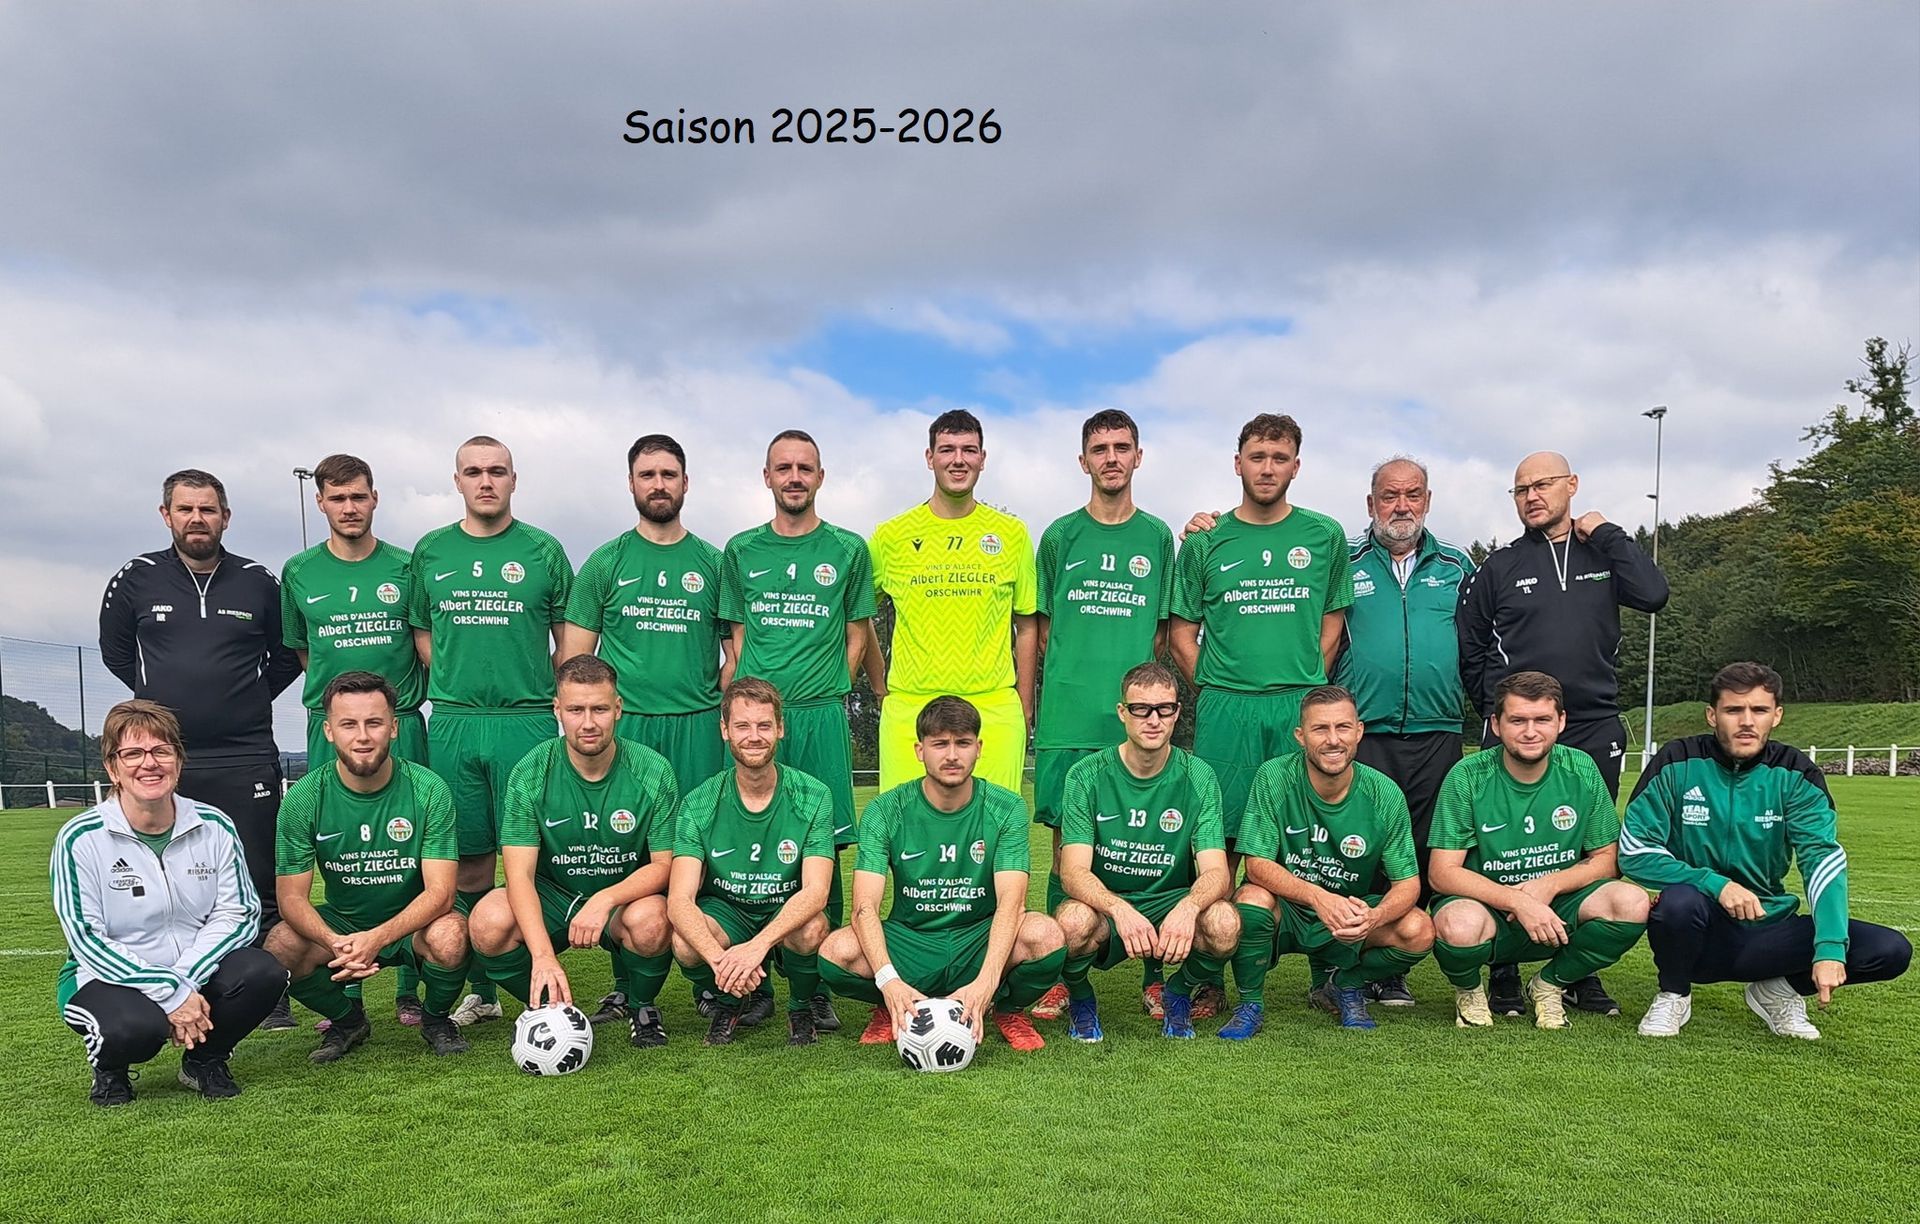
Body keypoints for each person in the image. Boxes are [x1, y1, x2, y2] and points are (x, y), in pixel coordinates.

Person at [1456, 450, 1668, 1018]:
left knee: (1583, 845)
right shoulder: (1498, 566)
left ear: (1571, 485)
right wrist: (1496, 716)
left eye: (1543, 484)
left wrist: (1606, 530)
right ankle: (1501, 968)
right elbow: (1470, 648)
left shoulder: (1604, 554)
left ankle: (1575, 972)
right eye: (1520, 488)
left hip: (1593, 723)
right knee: (1501, 843)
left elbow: (1653, 593)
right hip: (1515, 727)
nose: (1531, 496)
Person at [98, 469, 301, 1025]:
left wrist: (243, 697)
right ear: (166, 515)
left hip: (245, 752)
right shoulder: (136, 578)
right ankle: (169, 982)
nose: (197, 519)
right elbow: (117, 652)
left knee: (259, 872)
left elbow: (286, 654)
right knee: (165, 873)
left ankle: (268, 989)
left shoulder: (258, 582)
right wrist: (161, 707)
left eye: (207, 510)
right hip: (164, 757)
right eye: (185, 509)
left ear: (225, 517)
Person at [1622, 662, 1911, 1039]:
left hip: (1767, 928)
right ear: (1712, 715)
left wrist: (1829, 948)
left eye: (1758, 710)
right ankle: (1674, 993)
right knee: (1679, 902)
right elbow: (1634, 849)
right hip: (1697, 928)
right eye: (1733, 710)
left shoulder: (1796, 772)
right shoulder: (1677, 761)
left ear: (1776, 716)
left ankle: (1778, 991)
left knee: (1890, 949)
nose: (1746, 721)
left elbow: (1822, 860)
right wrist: (1716, 884)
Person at [561, 434, 731, 1026]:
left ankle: (710, 974)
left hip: (698, 728)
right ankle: (627, 985)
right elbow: (575, 659)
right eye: (646, 474)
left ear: (686, 483)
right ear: (630, 484)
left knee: (700, 856)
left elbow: (734, 652)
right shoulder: (606, 562)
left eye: (668, 474)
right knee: (624, 850)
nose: (658, 484)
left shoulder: (713, 562)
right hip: (628, 734)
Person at [409, 435, 574, 1026]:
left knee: (538, 855)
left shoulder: (543, 551)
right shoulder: (430, 552)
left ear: (513, 479)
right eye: (473, 471)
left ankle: (544, 965)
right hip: (453, 721)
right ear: (457, 481)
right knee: (469, 860)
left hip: (527, 720)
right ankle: (481, 989)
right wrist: (458, 679)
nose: (486, 481)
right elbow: (424, 639)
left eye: (497, 471)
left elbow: (569, 642)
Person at [52, 700, 286, 1105]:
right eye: (133, 753)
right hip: (106, 976)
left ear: (178, 761)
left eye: (162, 751)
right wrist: (168, 992)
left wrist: (183, 981)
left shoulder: (214, 825)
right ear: (112, 767)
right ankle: (111, 1068)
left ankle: (204, 1060)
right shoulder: (80, 838)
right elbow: (88, 938)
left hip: (192, 968)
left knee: (263, 973)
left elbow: (240, 913)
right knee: (133, 1030)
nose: (150, 764)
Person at [717, 429, 874, 1033]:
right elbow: (735, 640)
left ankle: (811, 988)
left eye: (804, 467)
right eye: (783, 467)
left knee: (826, 847)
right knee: (748, 848)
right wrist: (742, 715)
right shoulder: (740, 550)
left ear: (820, 476)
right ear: (766, 477)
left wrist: (830, 687)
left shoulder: (847, 548)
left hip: (817, 715)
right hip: (756, 722)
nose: (794, 477)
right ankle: (750, 981)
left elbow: (858, 633)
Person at [1029, 409, 1176, 1023]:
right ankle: (1061, 973)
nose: (1111, 458)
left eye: (1122, 447)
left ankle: (1154, 974)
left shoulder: (1158, 537)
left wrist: (1142, 698)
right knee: (1070, 844)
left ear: (1138, 457)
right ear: (1082, 460)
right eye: (1099, 448)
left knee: (1151, 840)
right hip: (1069, 715)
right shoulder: (1060, 536)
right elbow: (1039, 630)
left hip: (1136, 715)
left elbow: (1165, 631)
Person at [819, 696, 1066, 1052]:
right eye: (940, 744)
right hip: (912, 940)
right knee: (835, 952)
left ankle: (1007, 1009)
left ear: (978, 748)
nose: (952, 755)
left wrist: (987, 981)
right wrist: (888, 981)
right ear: (920, 750)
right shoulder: (885, 810)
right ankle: (892, 1005)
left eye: (963, 743)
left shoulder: (1005, 806)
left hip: (976, 939)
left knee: (1046, 935)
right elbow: (864, 909)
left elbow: (1012, 904)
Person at [280, 452, 432, 1025]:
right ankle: (345, 993)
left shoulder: (405, 565)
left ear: (374, 498)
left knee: (414, 855)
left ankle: (410, 991)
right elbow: (304, 653)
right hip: (334, 733)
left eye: (359, 496)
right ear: (320, 502)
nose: (350, 507)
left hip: (404, 728)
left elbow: (423, 639)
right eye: (337, 498)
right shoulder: (299, 572)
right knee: (340, 854)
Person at [467, 655, 680, 1048]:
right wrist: (545, 957)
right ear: (557, 710)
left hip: (621, 898)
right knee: (487, 921)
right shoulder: (531, 771)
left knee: (653, 920)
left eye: (599, 709)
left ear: (618, 708)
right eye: (575, 709)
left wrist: (605, 899)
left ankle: (641, 1006)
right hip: (554, 893)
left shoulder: (653, 770)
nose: (588, 722)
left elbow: (665, 865)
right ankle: (555, 1007)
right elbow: (518, 876)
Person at [266, 672, 472, 1060]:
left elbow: (441, 893)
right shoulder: (303, 798)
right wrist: (335, 943)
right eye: (349, 724)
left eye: (374, 723)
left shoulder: (428, 789)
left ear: (393, 728)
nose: (362, 736)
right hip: (343, 925)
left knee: (451, 935)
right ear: (329, 731)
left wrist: (376, 938)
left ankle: (436, 1018)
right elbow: (291, 897)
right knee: (280, 944)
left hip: (414, 925)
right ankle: (348, 1020)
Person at [1428, 671, 1650, 1030]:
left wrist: (1549, 885)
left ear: (1560, 721)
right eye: (1517, 720)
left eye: (1542, 719)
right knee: (1458, 925)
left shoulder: (1581, 768)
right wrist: (1517, 900)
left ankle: (1549, 985)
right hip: (1490, 909)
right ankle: (1469, 990)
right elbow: (1441, 872)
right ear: (1496, 725)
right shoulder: (1467, 775)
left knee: (1632, 902)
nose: (1530, 731)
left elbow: (1607, 860)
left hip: (1559, 908)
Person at [1332, 456, 1476, 1007]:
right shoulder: (1343, 561)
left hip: (1438, 732)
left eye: (1412, 494)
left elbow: (1479, 644)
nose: (1401, 506)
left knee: (1415, 855)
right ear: (1371, 504)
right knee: (1360, 850)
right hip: (1365, 733)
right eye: (1389, 496)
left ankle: (1392, 967)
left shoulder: (1457, 565)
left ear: (1428, 500)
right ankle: (1342, 965)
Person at [1171, 414, 1354, 840]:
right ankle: (1217, 909)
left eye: (1279, 457)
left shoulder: (1325, 535)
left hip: (1297, 703)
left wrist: (1306, 687)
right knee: (1220, 839)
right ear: (1238, 463)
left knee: (1296, 839)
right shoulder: (1205, 539)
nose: (1267, 468)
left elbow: (1333, 626)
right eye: (1257, 457)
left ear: (1296, 466)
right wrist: (1219, 687)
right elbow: (1180, 637)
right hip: (1226, 709)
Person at [1225, 686, 1433, 1036]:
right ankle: (1250, 1004)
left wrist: (1374, 916)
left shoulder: (1384, 794)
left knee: (1419, 930)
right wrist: (1317, 897)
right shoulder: (1274, 776)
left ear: (1359, 732)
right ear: (1300, 736)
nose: (1333, 740)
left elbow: (1408, 883)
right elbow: (1257, 865)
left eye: (1343, 728)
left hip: (1347, 912)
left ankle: (1344, 984)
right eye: (1320, 729)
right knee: (1250, 901)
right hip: (1290, 907)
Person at [1052, 663, 1238, 1041]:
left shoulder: (1198, 775)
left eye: (1164, 709)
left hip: (1169, 900)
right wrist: (1119, 908)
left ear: (1177, 713)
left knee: (1224, 924)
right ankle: (1081, 996)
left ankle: (1178, 991)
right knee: (1071, 923)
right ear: (1123, 713)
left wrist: (1188, 908)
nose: (1153, 720)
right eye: (1141, 709)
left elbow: (1218, 872)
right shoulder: (1086, 775)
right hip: (1108, 903)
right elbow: (1072, 872)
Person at [870, 410, 1038, 795]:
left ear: (982, 458)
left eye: (969, 450)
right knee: (906, 839)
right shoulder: (891, 536)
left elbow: (1027, 624)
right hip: (910, 709)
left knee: (994, 839)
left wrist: (1023, 705)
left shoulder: (1011, 534)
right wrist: (882, 689)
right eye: (947, 449)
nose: (958, 459)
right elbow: (858, 614)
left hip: (993, 709)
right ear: (929, 458)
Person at [668, 678, 837, 1046]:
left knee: (811, 928)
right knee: (684, 942)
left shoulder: (814, 795)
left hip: (783, 908)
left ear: (780, 728)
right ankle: (732, 998)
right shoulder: (698, 802)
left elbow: (817, 891)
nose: (754, 736)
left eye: (764, 725)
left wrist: (758, 946)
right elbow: (678, 901)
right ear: (725, 730)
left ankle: (800, 1005)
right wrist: (720, 961)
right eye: (742, 726)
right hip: (729, 911)